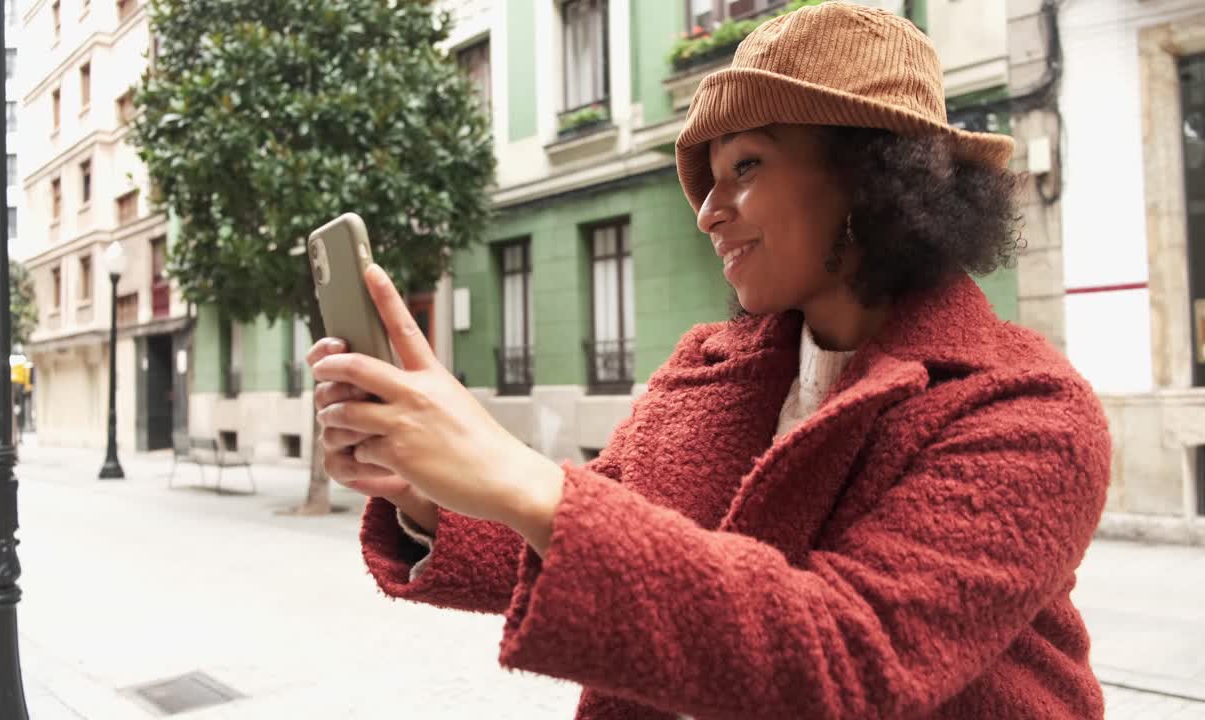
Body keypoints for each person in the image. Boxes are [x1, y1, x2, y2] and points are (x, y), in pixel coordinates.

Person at [308, 3, 1110, 718]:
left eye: (747, 166)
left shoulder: (1028, 409)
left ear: (871, 176)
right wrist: (428, 493)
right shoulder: (712, 366)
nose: (705, 213)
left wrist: (523, 480)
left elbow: (852, 660)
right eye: (709, 176)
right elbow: (592, 537)